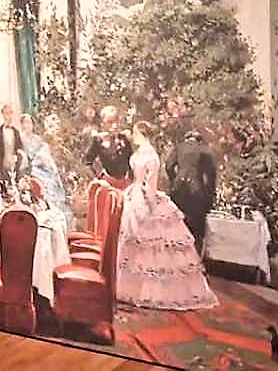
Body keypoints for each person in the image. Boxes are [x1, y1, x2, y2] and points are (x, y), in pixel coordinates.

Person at [115, 121, 218, 311]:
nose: (133, 136)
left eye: (136, 133)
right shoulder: (149, 154)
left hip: (142, 194)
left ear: (142, 133)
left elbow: (165, 172)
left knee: (147, 243)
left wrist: (154, 200)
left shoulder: (145, 155)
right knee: (150, 241)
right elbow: (210, 177)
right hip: (153, 193)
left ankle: (139, 289)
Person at [166, 130, 218, 254]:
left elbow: (168, 166)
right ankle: (193, 254)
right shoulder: (204, 150)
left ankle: (177, 252)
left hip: (179, 188)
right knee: (196, 226)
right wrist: (210, 195)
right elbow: (211, 175)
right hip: (196, 189)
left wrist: (175, 179)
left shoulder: (178, 148)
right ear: (199, 140)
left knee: (178, 221)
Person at [18, 114, 74, 227]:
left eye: (29, 123)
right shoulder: (20, 139)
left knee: (53, 182)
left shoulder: (39, 140)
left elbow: (48, 157)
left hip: (45, 169)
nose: (27, 125)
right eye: (25, 123)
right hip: (32, 170)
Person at [84, 105, 133, 189]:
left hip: (126, 185)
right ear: (103, 124)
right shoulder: (99, 141)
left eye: (116, 121)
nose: (114, 125)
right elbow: (87, 162)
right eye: (110, 122)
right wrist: (97, 179)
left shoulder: (123, 139)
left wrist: (132, 181)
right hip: (107, 185)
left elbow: (131, 160)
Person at [0, 103, 25, 178]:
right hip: (1, 167)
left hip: (14, 168)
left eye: (10, 113)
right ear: (3, 115)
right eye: (6, 113)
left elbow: (20, 149)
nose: (8, 116)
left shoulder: (16, 132)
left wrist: (17, 158)